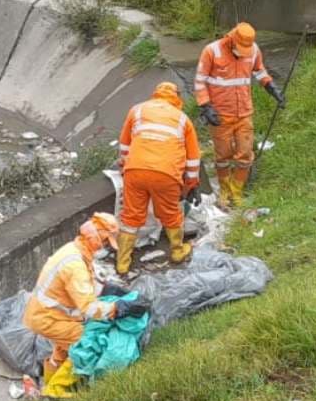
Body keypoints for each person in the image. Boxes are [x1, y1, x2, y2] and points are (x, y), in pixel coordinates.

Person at [22, 213, 149, 397]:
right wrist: (118, 308)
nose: (105, 246)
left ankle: (47, 384)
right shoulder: (75, 266)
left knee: (61, 349)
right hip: (48, 318)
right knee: (85, 343)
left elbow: (84, 288)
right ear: (95, 236)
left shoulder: (74, 251)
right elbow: (88, 308)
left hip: (46, 314)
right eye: (105, 241)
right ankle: (54, 393)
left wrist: (109, 290)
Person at [194, 22, 284, 209]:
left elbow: (260, 71)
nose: (243, 53)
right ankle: (225, 192)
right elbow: (200, 81)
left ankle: (237, 191)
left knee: (245, 154)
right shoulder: (212, 51)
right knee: (223, 156)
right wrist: (205, 106)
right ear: (231, 39)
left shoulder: (253, 50)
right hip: (220, 115)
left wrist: (271, 88)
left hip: (244, 113)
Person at [115, 82, 201, 274]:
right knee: (171, 214)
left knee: (131, 216)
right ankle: (177, 252)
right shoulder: (182, 119)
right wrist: (191, 185)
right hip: (167, 173)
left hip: (135, 170)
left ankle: (122, 264)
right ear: (177, 97)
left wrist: (125, 168)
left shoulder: (137, 110)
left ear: (156, 94)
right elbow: (193, 159)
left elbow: (124, 145)